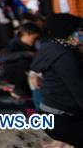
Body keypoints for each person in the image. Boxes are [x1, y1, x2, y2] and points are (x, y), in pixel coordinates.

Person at [30, 13, 83, 145]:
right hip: (63, 119)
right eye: (78, 30)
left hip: (48, 113)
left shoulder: (49, 47)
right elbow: (80, 91)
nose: (81, 33)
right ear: (68, 33)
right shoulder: (65, 57)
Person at [0, 22, 40, 98]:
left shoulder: (31, 46)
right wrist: (25, 54)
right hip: (10, 75)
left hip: (24, 77)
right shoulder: (13, 44)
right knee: (24, 62)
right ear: (26, 34)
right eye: (34, 38)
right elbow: (2, 58)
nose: (35, 41)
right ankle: (18, 90)